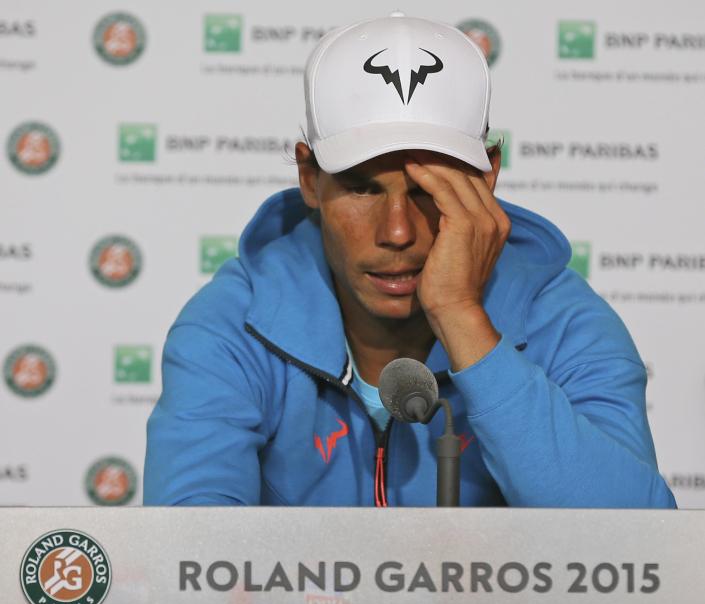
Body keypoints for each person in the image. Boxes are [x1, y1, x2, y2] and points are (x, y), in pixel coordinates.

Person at [143, 13, 676, 508]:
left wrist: (463, 318)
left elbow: (632, 550)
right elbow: (187, 567)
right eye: (361, 189)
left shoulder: (564, 321)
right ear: (309, 179)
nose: (396, 232)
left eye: (427, 191)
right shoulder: (233, 323)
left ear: (488, 175)